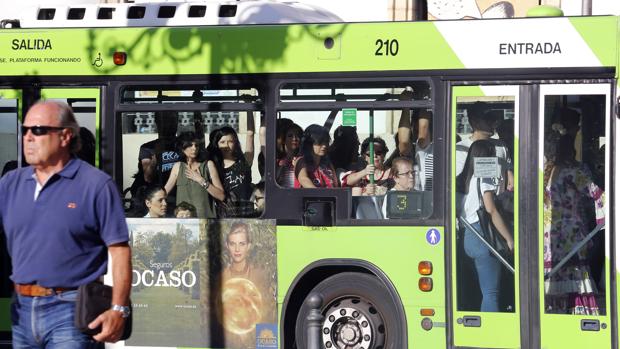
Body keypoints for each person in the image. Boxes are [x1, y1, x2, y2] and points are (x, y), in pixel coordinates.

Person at [0, 101, 131, 347]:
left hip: (70, 308)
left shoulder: (96, 185)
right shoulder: (10, 183)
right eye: (25, 130)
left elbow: (120, 251)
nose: (28, 137)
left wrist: (119, 308)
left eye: (37, 130)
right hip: (20, 308)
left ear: (65, 136)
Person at [543, 135, 605, 315]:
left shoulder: (541, 175)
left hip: (549, 241)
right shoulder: (573, 173)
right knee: (577, 281)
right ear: (571, 151)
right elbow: (599, 196)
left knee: (553, 279)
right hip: (572, 238)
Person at [457, 139, 514, 312]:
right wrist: (509, 239)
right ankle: (491, 335)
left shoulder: (461, 180)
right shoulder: (483, 177)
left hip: (467, 238)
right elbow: (491, 209)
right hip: (483, 238)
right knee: (491, 293)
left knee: (479, 291)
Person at [164, 132, 225, 218]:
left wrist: (201, 180)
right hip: (184, 223)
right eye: (190, 145)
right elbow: (164, 192)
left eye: (196, 145)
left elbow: (221, 196)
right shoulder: (178, 167)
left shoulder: (208, 165)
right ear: (182, 148)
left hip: (205, 222)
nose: (194, 148)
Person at [456, 106, 513, 192]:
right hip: (475, 204)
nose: (493, 122)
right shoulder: (460, 149)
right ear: (474, 122)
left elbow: (511, 180)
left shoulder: (501, 146)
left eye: (493, 118)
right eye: (488, 119)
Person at [207, 125, 255, 217]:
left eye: (230, 141)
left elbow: (250, 134)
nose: (226, 145)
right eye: (222, 142)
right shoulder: (213, 165)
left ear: (236, 143)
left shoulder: (244, 161)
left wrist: (249, 110)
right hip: (225, 216)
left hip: (246, 213)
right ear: (217, 144)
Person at [276, 122, 303, 188]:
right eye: (290, 136)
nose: (295, 139)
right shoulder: (276, 159)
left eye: (298, 136)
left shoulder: (303, 159)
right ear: (284, 139)